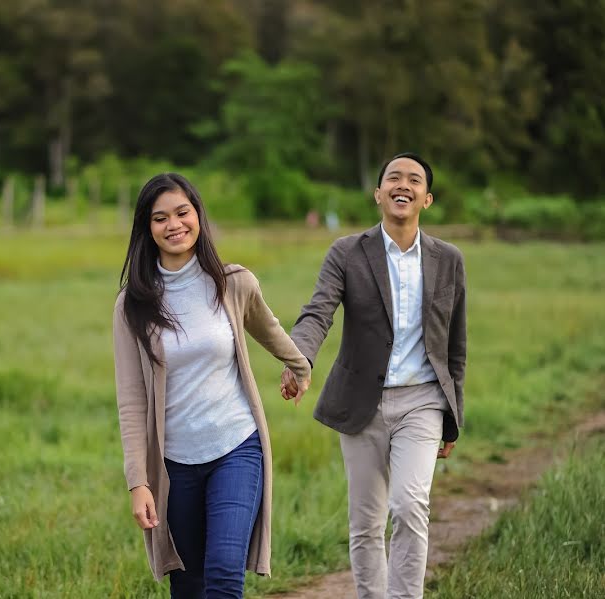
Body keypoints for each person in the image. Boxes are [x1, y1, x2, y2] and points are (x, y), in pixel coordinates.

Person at [113, 173, 311, 598]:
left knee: (224, 573)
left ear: (198, 215)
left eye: (182, 212)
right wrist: (138, 482)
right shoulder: (133, 304)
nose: (174, 225)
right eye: (160, 218)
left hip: (236, 446)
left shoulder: (233, 283)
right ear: (147, 229)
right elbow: (131, 400)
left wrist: (298, 365)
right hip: (174, 464)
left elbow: (268, 328)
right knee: (188, 584)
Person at [281, 153, 466, 599]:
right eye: (394, 178)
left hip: (422, 401)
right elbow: (318, 311)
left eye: (415, 180)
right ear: (379, 193)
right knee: (366, 521)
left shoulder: (448, 259)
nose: (404, 184)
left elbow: (455, 341)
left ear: (427, 198)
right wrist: (298, 358)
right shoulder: (347, 252)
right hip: (362, 401)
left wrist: (453, 415)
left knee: (409, 507)